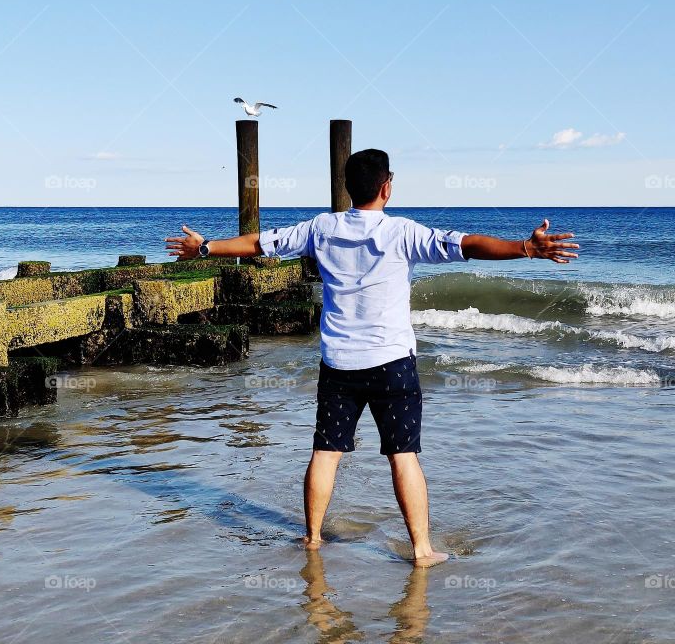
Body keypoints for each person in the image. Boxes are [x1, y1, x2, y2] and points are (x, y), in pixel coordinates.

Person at [165, 148, 579, 566]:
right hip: (392, 363)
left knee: (326, 452)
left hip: (339, 363)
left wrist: (205, 248)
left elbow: (259, 244)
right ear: (386, 188)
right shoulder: (402, 232)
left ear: (348, 188)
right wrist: (525, 247)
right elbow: (467, 245)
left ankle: (313, 538)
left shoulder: (320, 229)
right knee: (403, 456)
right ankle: (421, 550)